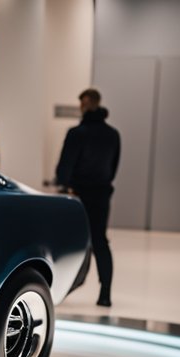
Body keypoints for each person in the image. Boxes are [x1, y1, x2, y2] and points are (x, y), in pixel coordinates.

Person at [56, 88, 121, 307]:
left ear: (85, 104)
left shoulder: (77, 133)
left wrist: (65, 184)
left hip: (79, 194)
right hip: (102, 193)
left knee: (71, 241)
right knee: (100, 241)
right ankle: (105, 293)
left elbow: (64, 169)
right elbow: (113, 169)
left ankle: (62, 288)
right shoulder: (112, 134)